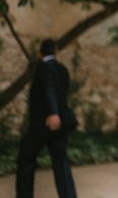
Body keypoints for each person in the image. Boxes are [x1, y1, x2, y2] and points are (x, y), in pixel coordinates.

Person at [16, 39, 77, 198]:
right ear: (56, 52)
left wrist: (52, 113)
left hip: (44, 123)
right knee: (61, 162)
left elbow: (49, 88)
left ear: (40, 53)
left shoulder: (43, 66)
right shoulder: (63, 69)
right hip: (61, 124)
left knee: (26, 158)